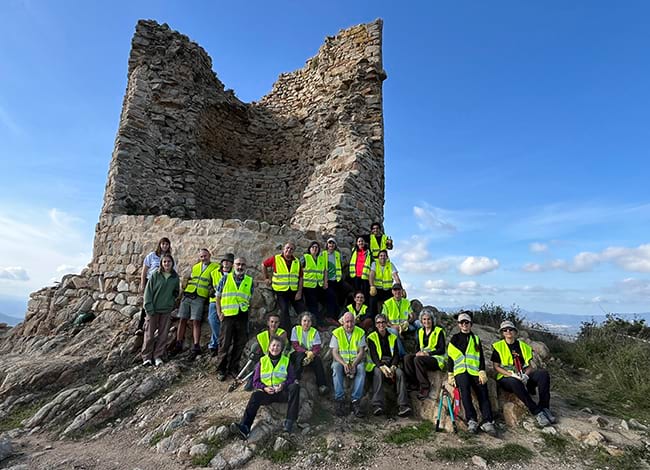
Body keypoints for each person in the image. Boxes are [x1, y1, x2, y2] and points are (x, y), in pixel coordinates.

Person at [230, 336, 300, 439]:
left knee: (295, 387)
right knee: (255, 395)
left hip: (282, 392)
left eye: (278, 346)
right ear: (269, 347)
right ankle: (245, 427)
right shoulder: (262, 361)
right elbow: (256, 381)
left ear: (281, 348)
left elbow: (292, 378)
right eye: (273, 345)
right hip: (268, 393)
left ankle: (288, 424)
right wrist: (264, 388)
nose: (275, 348)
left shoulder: (286, 361)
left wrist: (283, 385)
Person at [491, 320, 555, 427]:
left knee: (543, 374)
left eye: (510, 329)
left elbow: (529, 366)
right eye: (505, 330)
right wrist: (511, 374)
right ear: (502, 333)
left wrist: (525, 375)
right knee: (514, 381)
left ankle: (544, 407)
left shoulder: (523, 346)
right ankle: (536, 411)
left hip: (522, 374)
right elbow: (496, 367)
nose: (508, 332)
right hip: (507, 377)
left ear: (515, 331)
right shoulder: (499, 347)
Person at [447, 312, 496, 436]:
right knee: (465, 392)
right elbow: (451, 358)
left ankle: (487, 421)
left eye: (466, 322)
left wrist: (482, 370)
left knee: (483, 392)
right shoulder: (455, 339)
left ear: (470, 324)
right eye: (462, 322)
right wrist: (450, 374)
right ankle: (471, 420)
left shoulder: (475, 339)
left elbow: (480, 357)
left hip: (474, 371)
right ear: (458, 324)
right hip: (460, 371)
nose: (464, 325)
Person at [173, 248, 219, 360]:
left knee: (196, 321)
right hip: (188, 294)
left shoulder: (216, 267)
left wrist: (212, 291)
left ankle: (196, 346)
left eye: (205, 256)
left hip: (200, 297)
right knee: (182, 319)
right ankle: (178, 343)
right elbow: (187, 278)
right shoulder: (195, 267)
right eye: (201, 256)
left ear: (210, 255)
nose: (203, 258)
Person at [214, 257, 253, 382]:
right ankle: (221, 369)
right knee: (224, 343)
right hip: (228, 315)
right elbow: (218, 297)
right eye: (238, 264)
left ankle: (233, 368)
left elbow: (249, 299)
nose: (240, 267)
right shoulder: (225, 278)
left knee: (240, 343)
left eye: (242, 264)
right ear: (233, 265)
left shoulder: (249, 281)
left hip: (242, 315)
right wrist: (219, 313)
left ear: (245, 266)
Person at [366, 314, 411, 417]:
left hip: (391, 363)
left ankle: (403, 406)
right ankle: (377, 405)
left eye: (383, 322)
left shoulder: (393, 337)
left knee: (400, 373)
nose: (381, 325)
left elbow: (396, 354)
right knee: (378, 373)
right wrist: (383, 368)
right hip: (378, 364)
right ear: (376, 325)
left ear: (386, 324)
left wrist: (393, 367)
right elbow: (374, 356)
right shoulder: (371, 337)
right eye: (378, 323)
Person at [141, 254, 179, 367]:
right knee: (149, 334)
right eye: (164, 262)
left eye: (169, 261)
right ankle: (146, 357)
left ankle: (158, 356)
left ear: (172, 263)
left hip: (166, 310)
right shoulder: (155, 275)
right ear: (161, 263)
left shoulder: (175, 277)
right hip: (153, 309)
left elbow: (176, 291)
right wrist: (149, 308)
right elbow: (148, 293)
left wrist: (171, 301)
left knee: (163, 335)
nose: (167, 263)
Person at [404, 308, 447, 400]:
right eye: (424, 319)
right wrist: (418, 352)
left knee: (417, 359)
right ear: (421, 321)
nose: (426, 321)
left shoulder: (439, 331)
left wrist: (427, 353)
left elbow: (442, 349)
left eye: (428, 319)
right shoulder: (420, 331)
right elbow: (418, 346)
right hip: (424, 356)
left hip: (436, 359)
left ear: (432, 320)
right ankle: (414, 383)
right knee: (407, 358)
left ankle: (425, 387)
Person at [262, 242, 305, 333]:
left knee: (302, 309)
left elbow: (301, 277)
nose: (289, 250)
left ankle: (305, 330)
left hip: (293, 291)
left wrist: (299, 292)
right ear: (283, 249)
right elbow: (264, 265)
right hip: (280, 291)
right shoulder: (276, 259)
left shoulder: (297, 261)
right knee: (284, 310)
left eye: (291, 249)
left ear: (294, 251)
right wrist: (266, 278)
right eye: (287, 248)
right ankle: (287, 333)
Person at [330, 312, 367, 417]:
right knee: (336, 367)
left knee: (361, 369)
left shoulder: (360, 332)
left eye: (351, 321)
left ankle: (355, 401)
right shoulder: (336, 333)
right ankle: (339, 400)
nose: (349, 324)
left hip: (356, 361)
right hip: (341, 362)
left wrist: (354, 364)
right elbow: (334, 352)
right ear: (343, 322)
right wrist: (344, 364)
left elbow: (361, 351)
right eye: (347, 322)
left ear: (354, 322)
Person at [136, 237, 172, 335]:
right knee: (147, 303)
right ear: (160, 245)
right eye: (163, 244)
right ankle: (140, 326)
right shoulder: (152, 256)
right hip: (151, 282)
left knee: (158, 304)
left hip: (162, 284)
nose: (165, 246)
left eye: (167, 244)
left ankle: (153, 328)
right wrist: (143, 283)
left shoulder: (169, 258)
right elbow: (144, 270)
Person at [290, 313, 328, 395]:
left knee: (317, 360)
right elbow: (295, 345)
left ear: (312, 323)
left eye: (309, 321)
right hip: (296, 353)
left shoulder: (314, 332)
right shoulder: (295, 329)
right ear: (300, 321)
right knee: (300, 355)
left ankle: (322, 385)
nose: (306, 323)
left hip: (310, 355)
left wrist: (312, 355)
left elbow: (317, 347)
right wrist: (306, 352)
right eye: (304, 321)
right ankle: (296, 378)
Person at [207, 253, 235, 356]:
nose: (226, 263)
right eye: (224, 261)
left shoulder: (234, 274)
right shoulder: (214, 273)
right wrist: (210, 290)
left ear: (232, 264)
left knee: (224, 323)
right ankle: (221, 340)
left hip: (228, 302)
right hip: (214, 300)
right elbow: (209, 284)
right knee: (212, 319)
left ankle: (213, 345)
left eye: (229, 262)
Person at [381, 283, 414, 356]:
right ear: (392, 292)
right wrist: (392, 326)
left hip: (404, 326)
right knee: (395, 332)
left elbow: (412, 316)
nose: (397, 292)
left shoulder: (406, 302)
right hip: (392, 327)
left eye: (399, 289)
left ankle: (421, 347)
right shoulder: (387, 303)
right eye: (395, 290)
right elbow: (384, 319)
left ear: (402, 291)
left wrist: (408, 322)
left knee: (418, 326)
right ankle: (402, 354)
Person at [368, 250, 401, 316]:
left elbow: (396, 277)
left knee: (393, 301)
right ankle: (373, 319)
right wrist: (372, 286)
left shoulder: (390, 264)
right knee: (372, 301)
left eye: (384, 256)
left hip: (388, 290)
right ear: (378, 257)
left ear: (387, 257)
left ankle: (391, 318)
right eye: (381, 256)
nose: (382, 257)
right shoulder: (375, 263)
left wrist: (400, 289)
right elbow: (371, 275)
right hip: (377, 289)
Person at [301, 242, 326, 325]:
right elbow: (298, 269)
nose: (315, 249)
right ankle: (317, 324)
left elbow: (324, 270)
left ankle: (326, 319)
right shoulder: (305, 258)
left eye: (316, 247)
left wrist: (325, 282)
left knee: (329, 299)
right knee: (313, 306)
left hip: (319, 286)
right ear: (309, 248)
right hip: (308, 287)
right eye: (313, 247)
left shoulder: (321, 259)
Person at [323, 237, 344, 323]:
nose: (331, 245)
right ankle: (330, 316)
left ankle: (335, 317)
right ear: (327, 245)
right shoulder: (323, 254)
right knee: (330, 298)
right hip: (327, 280)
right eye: (329, 243)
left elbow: (341, 264)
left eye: (333, 243)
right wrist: (325, 281)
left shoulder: (337, 254)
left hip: (337, 280)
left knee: (337, 298)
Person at [348, 236, 371, 301]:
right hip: (356, 275)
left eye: (362, 241)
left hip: (365, 275)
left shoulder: (368, 252)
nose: (360, 243)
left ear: (364, 242)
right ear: (357, 243)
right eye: (359, 241)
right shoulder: (354, 251)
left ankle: (365, 308)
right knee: (356, 293)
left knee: (365, 293)